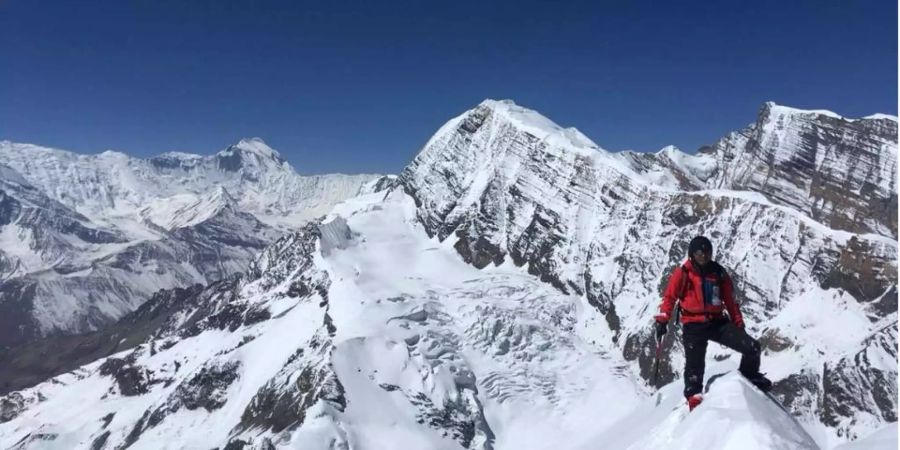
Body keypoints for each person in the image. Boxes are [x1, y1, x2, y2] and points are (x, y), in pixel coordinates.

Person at [654, 236, 772, 411]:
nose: (704, 256)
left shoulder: (718, 272)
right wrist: (663, 319)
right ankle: (693, 397)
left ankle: (750, 377)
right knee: (694, 366)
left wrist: (738, 322)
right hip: (693, 324)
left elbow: (730, 301)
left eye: (707, 252)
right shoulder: (683, 272)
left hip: (717, 322)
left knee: (752, 347)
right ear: (692, 254)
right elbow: (670, 297)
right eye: (699, 253)